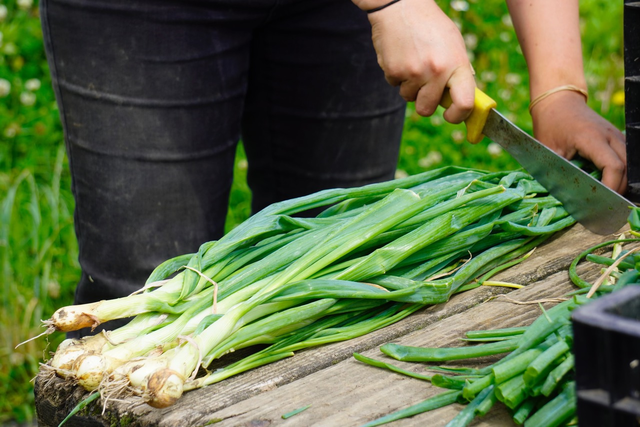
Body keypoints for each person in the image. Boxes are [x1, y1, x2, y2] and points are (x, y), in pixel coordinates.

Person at [40, 0, 626, 335]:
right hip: (143, 14)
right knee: (141, 301)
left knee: (333, 281)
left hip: (338, 14)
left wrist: (558, 90)